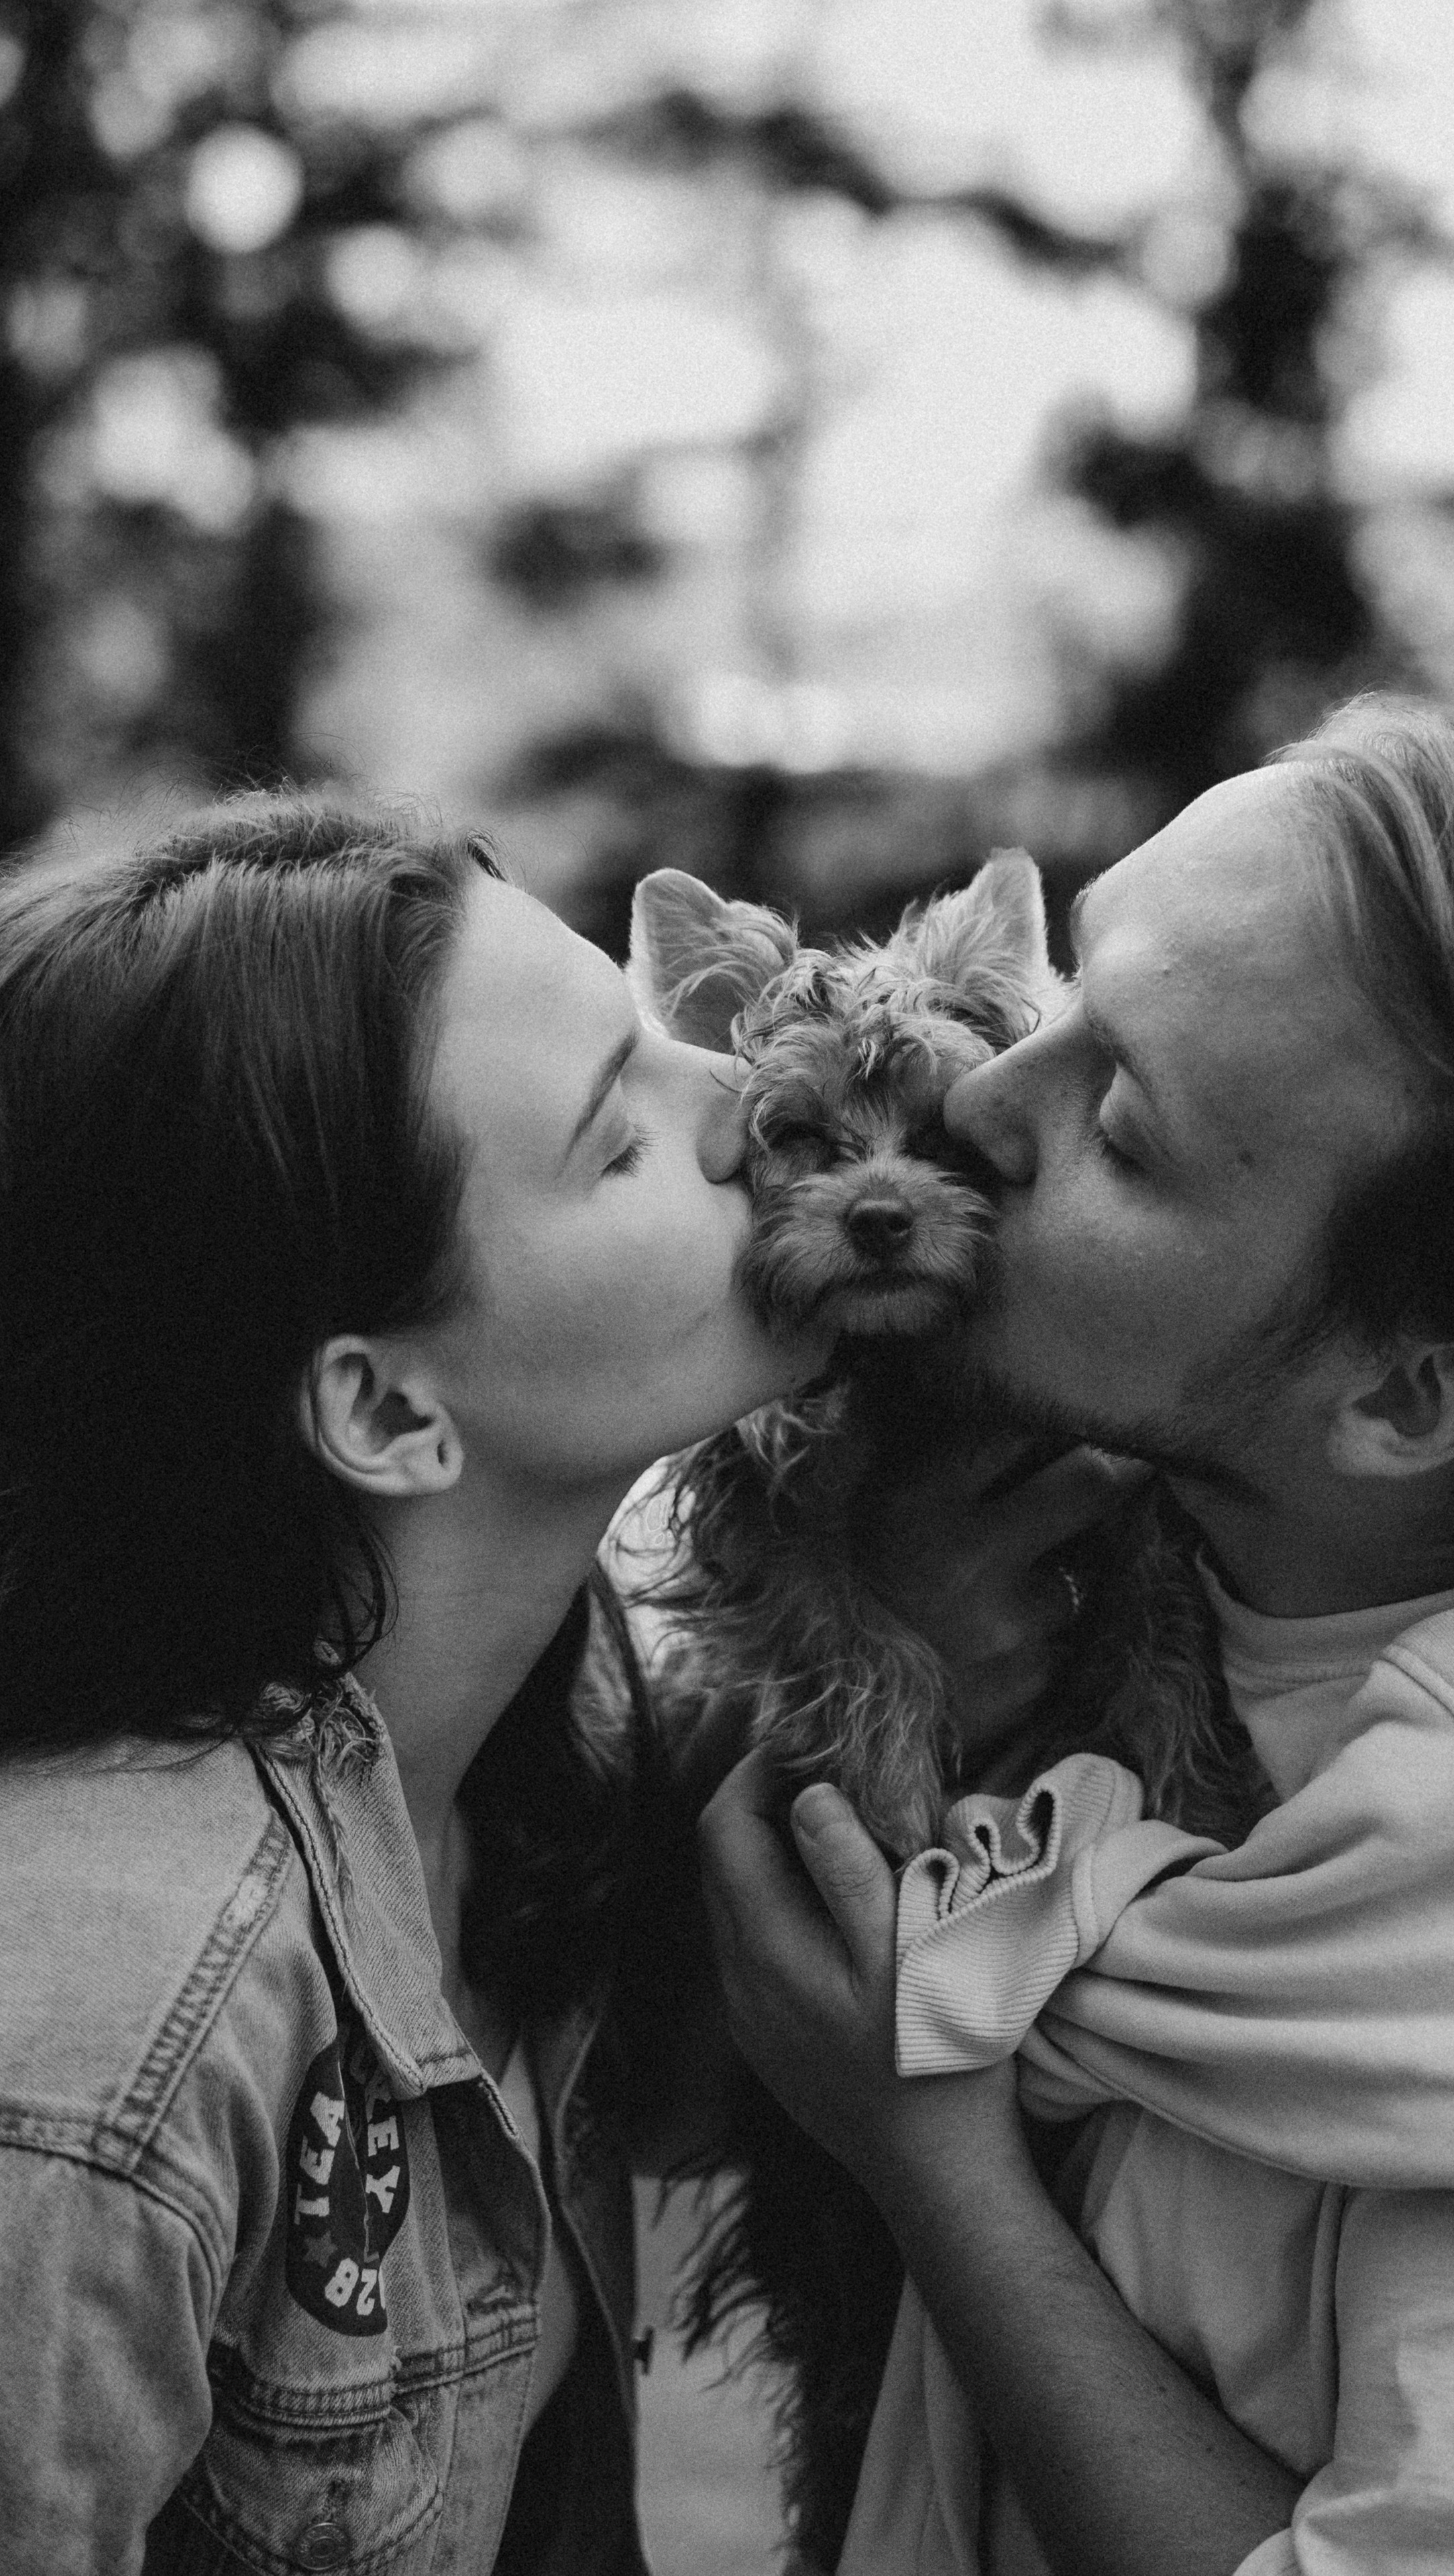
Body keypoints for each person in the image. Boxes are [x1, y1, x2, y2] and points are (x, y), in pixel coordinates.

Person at [701, 700, 1454, 2576]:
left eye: (1130, 1122)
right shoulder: (1099, 1567)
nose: (987, 1097)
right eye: (1075, 981)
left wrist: (937, 2172)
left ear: (1406, 1400)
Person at [0, 799, 846, 2573]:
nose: (747, 1100)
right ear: (389, 1414)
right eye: (622, 1134)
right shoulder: (96, 2043)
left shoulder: (536, 1778)